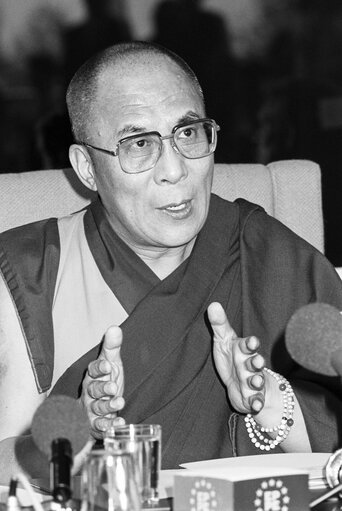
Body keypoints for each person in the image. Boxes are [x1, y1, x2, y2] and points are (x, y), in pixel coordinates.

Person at [0, 42, 342, 482]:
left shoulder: (262, 249)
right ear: (86, 168)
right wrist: (72, 433)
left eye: (188, 133)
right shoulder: (32, 270)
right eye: (139, 143)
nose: (175, 170)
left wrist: (268, 400)